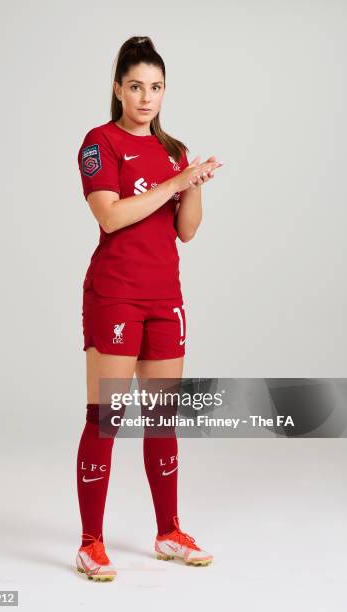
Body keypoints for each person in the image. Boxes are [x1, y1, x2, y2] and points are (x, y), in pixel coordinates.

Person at [75, 35, 223, 582]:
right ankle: (91, 543)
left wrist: (196, 182)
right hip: (115, 293)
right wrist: (176, 181)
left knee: (163, 419)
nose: (146, 98)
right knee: (106, 419)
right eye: (136, 86)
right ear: (118, 88)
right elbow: (111, 216)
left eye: (156, 88)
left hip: (166, 298)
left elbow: (186, 231)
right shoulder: (100, 142)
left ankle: (169, 531)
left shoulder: (173, 150)